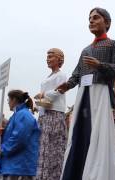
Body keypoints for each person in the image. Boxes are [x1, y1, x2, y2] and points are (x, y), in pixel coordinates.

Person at [57, 7, 115, 180]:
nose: (91, 21)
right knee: (79, 132)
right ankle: (75, 172)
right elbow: (77, 73)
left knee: (97, 134)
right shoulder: (85, 50)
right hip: (83, 96)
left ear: (107, 23)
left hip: (100, 93)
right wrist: (68, 85)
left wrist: (100, 65)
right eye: (89, 18)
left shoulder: (113, 44)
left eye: (96, 17)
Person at [34, 48, 67, 180]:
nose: (47, 58)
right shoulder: (49, 77)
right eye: (47, 56)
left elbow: (60, 90)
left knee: (53, 149)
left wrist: (42, 95)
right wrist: (38, 104)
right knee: (43, 148)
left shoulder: (61, 75)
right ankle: (42, 175)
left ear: (59, 59)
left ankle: (52, 176)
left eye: (51, 56)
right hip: (44, 114)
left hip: (54, 115)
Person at [0, 90, 40, 180]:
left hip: (20, 166)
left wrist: (3, 149)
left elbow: (20, 139)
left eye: (9, 100)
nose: (8, 103)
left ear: (14, 100)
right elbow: (18, 134)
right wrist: (4, 133)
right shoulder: (18, 115)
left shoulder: (23, 115)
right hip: (17, 166)